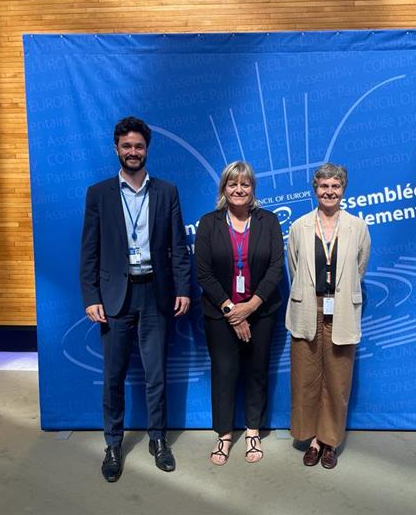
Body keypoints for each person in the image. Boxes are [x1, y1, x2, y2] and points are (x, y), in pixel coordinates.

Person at [80, 116, 191, 483]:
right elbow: (89, 252)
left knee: (156, 375)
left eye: (138, 146)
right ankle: (113, 444)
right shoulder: (99, 194)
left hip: (155, 295)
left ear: (147, 149)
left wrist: (182, 288)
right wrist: (91, 295)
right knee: (113, 376)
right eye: (126, 146)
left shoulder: (167, 192)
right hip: (115, 297)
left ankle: (158, 440)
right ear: (116, 149)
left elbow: (178, 246)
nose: (132, 152)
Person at [195, 161, 284, 466]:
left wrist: (252, 306)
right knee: (224, 373)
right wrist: (232, 311)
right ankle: (223, 435)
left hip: (261, 312)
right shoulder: (208, 223)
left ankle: (252, 431)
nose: (239, 189)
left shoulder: (269, 222)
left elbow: (275, 268)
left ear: (253, 189)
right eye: (233, 184)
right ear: (224, 188)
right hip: (220, 315)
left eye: (245, 184)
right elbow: (203, 273)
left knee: (257, 372)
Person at [285, 163, 370, 469]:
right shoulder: (299, 226)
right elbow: (294, 267)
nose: (329, 192)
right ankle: (312, 440)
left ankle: (330, 442)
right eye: (324, 186)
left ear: (343, 190)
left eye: (335, 186)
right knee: (305, 378)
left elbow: (359, 267)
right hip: (308, 306)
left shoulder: (357, 227)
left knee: (337, 380)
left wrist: (338, 292)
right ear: (315, 189)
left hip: (342, 308)